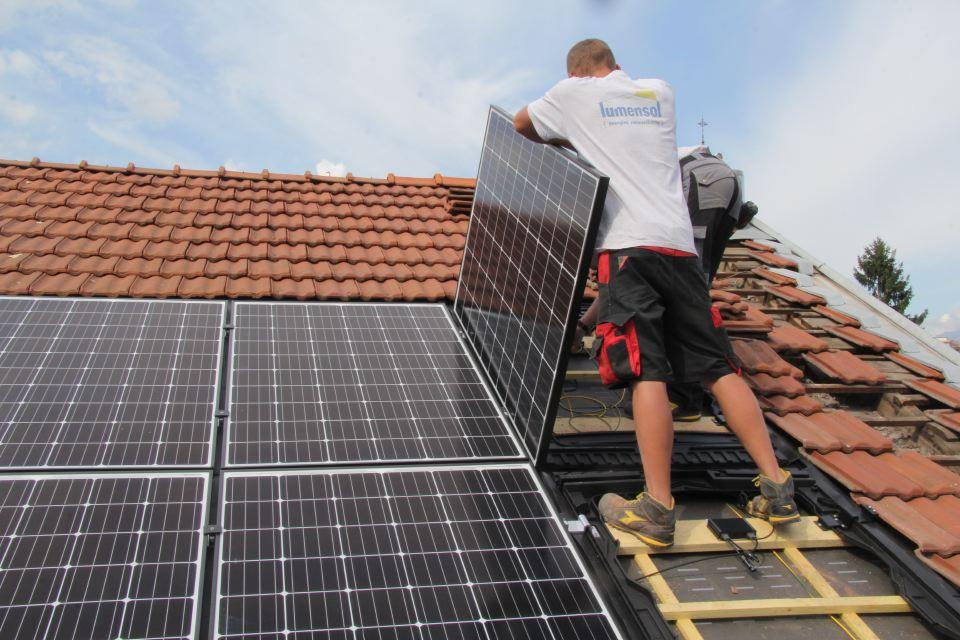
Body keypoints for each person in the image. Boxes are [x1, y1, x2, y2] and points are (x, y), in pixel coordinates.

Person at [514, 39, 798, 547]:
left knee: (647, 370)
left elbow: (520, 125)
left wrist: (570, 140)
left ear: (577, 73)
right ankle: (777, 486)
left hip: (628, 248)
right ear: (617, 66)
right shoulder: (659, 92)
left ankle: (657, 508)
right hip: (680, 249)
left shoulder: (569, 93)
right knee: (718, 368)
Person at [668, 146, 759, 421]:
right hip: (723, 180)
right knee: (699, 282)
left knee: (682, 284)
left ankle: (688, 392)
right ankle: (701, 375)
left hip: (699, 177)